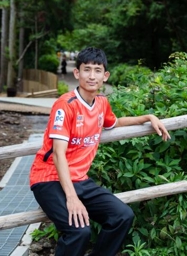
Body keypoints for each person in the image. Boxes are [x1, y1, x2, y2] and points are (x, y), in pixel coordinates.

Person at [30, 47, 170, 256]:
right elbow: (59, 155)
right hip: (49, 179)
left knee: (122, 216)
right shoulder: (65, 105)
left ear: (105, 76)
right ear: (77, 73)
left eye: (97, 70)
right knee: (79, 232)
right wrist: (72, 198)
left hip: (79, 180)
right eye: (87, 70)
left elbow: (114, 122)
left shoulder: (101, 103)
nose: (92, 76)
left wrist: (147, 117)